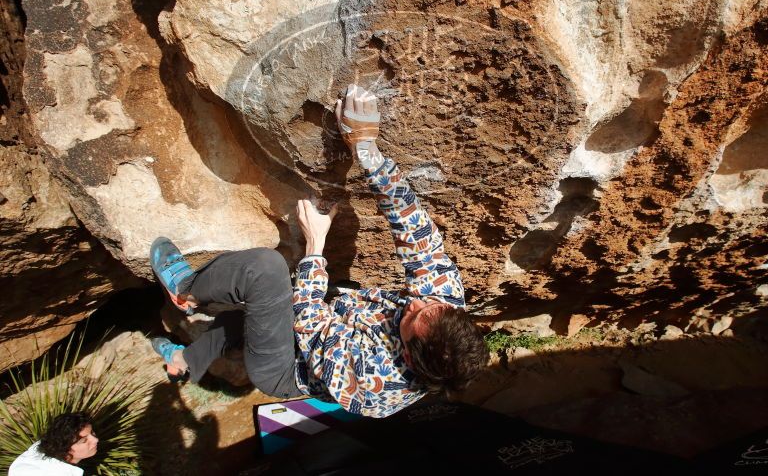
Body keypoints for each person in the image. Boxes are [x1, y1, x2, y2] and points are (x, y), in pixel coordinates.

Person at [150, 84, 488, 417]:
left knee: (265, 271)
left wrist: (315, 243)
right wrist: (367, 151)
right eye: (429, 304)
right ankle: (181, 360)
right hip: (339, 318)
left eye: (412, 317)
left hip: (287, 366)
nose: (416, 302)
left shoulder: (377, 386)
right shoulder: (443, 305)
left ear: (411, 358)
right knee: (244, 319)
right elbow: (414, 230)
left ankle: (185, 291)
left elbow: (309, 318)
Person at [9, 412, 98, 476]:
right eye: (84, 441)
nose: (96, 440)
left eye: (92, 432)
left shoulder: (42, 446)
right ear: (65, 449)